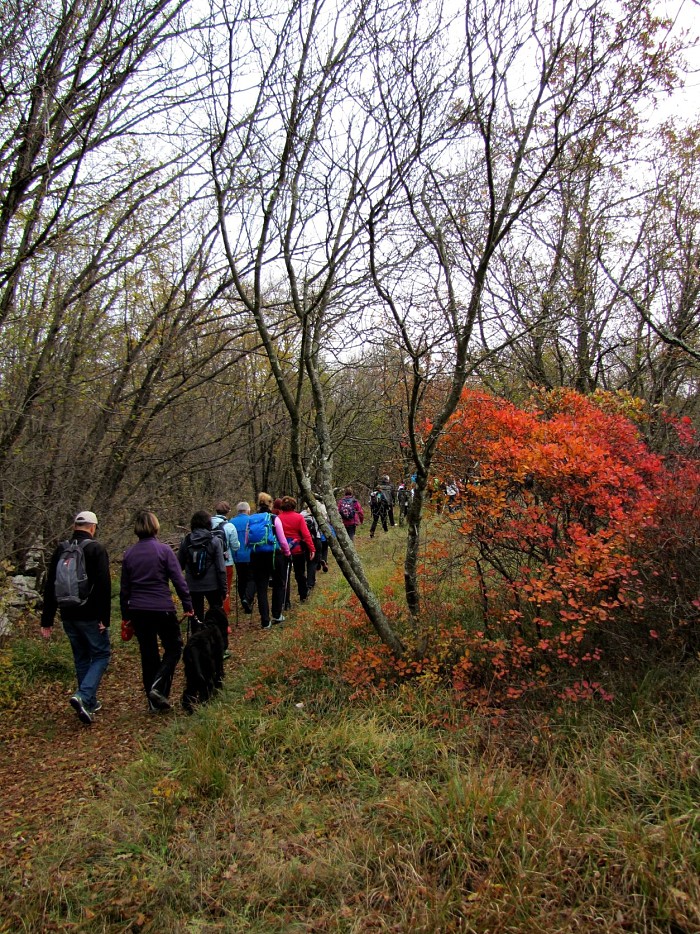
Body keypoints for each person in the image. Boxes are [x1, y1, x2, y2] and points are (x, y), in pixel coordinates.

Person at [40, 510, 111, 725]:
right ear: (93, 528)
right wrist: (104, 618)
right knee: (101, 654)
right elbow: (103, 586)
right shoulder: (96, 549)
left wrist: (47, 619)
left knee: (81, 657)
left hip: (67, 614)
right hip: (90, 615)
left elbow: (50, 584)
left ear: (74, 527)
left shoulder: (61, 549)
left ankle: (88, 703)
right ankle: (83, 695)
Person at [120, 510, 193, 712]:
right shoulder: (164, 551)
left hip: (138, 610)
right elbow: (178, 580)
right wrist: (188, 605)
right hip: (162, 608)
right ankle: (159, 688)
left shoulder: (129, 554)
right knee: (174, 647)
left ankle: (154, 701)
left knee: (148, 653)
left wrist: (126, 616)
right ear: (155, 527)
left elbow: (125, 589)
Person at [177, 510, 228, 648]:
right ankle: (220, 645)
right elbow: (221, 568)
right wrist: (224, 589)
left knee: (196, 616)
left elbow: (178, 565)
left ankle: (197, 645)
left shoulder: (186, 541)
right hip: (213, 585)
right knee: (217, 615)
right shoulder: (214, 541)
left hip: (193, 586)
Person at [247, 492, 291, 629]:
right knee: (278, 583)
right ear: (270, 504)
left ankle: (265, 621)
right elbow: (282, 539)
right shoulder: (274, 518)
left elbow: (247, 540)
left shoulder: (251, 519)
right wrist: (287, 553)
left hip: (256, 556)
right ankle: (277, 614)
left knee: (261, 588)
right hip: (273, 555)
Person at [277, 496, 315, 604]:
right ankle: (303, 595)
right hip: (297, 550)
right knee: (300, 574)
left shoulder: (278, 518)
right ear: (293, 505)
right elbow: (306, 534)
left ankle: (285, 601)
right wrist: (312, 548)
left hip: (282, 550)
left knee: (284, 576)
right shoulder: (299, 517)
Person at [211, 500, 240, 615]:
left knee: (213, 589)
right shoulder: (229, 526)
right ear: (227, 512)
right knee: (225, 588)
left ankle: (214, 610)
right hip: (226, 562)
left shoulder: (207, 523)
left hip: (210, 562)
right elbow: (235, 546)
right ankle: (224, 612)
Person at [231, 501, 256, 615]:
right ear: (248, 510)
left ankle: (243, 600)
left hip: (237, 555)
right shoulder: (251, 520)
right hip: (250, 554)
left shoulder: (231, 522)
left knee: (241, 579)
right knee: (252, 578)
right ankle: (247, 598)